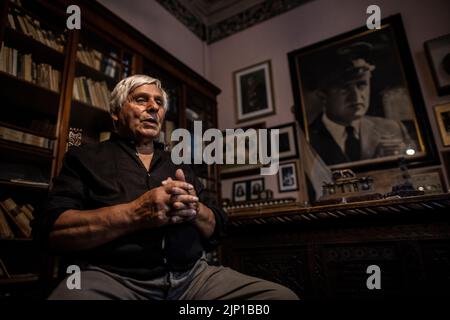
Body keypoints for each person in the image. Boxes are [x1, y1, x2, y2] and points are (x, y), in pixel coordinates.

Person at [35, 74, 298, 300]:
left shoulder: (179, 163)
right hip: (112, 279)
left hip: (194, 280)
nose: (153, 107)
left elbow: (218, 227)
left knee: (280, 297)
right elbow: (52, 231)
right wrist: (136, 213)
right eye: (141, 99)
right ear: (115, 112)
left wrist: (196, 210)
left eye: (159, 103)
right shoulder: (85, 158)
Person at [308, 42, 414, 166]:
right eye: (345, 88)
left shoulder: (393, 128)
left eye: (361, 84)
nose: (357, 96)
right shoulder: (307, 138)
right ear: (323, 95)